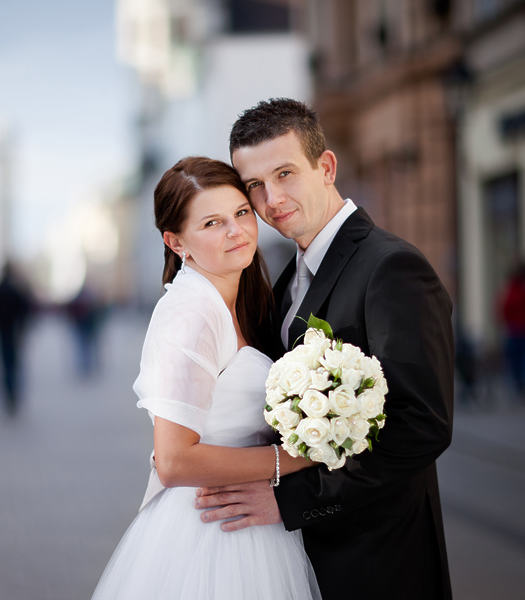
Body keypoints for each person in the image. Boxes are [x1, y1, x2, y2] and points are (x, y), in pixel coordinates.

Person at [194, 99, 455, 600]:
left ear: (327, 167)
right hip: (307, 560)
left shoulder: (392, 267)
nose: (271, 199)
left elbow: (422, 425)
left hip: (379, 560)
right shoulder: (289, 275)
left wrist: (291, 501)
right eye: (254, 185)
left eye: (285, 173)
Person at [92, 157, 321, 600]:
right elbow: (174, 461)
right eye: (213, 223)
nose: (236, 231)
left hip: (246, 521)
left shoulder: (240, 299)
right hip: (213, 534)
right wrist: (299, 457)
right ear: (176, 241)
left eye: (240, 213)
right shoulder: (192, 313)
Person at [0, 262, 33, 417]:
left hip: (0, 332)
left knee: (3, 365)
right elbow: (25, 311)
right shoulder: (16, 290)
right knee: (14, 365)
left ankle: (7, 395)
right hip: (13, 332)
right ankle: (13, 395)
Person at [497, 260, 525, 397]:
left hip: (514, 329)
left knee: (517, 360)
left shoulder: (511, 290)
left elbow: (504, 308)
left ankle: (520, 385)